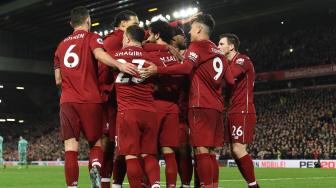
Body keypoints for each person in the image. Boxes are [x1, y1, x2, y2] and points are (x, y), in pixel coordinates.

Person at [140, 14, 235, 188]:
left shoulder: (196, 46)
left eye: (191, 28)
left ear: (199, 29)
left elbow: (185, 68)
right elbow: (230, 81)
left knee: (201, 150)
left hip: (199, 105)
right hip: (216, 107)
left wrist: (157, 70)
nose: (189, 32)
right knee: (211, 152)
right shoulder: (219, 53)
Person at [53, 6, 137, 188]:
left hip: (67, 101)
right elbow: (100, 55)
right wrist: (118, 65)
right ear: (88, 20)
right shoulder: (92, 38)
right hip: (90, 99)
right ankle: (96, 166)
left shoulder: (60, 46)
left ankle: (72, 186)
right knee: (96, 143)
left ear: (71, 23)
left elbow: (58, 80)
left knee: (70, 147)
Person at [112, 25, 161, 188]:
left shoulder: (116, 57)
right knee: (149, 154)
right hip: (150, 111)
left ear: (126, 38)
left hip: (128, 112)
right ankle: (155, 185)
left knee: (131, 156)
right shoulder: (151, 57)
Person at [98, 10, 139, 188]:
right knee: (121, 144)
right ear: (123, 24)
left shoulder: (111, 39)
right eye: (134, 23)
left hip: (112, 98)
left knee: (113, 144)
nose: (139, 27)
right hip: (113, 99)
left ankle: (110, 182)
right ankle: (113, 183)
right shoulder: (116, 39)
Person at [144, 20, 183, 187]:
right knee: (169, 153)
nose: (148, 36)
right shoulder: (177, 54)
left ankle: (154, 184)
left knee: (148, 152)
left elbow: (142, 47)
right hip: (173, 108)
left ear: (157, 35)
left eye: (150, 33)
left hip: (154, 106)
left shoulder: (148, 52)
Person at [218, 33, 260, 188]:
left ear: (231, 46)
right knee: (234, 151)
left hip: (243, 109)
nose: (218, 47)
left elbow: (229, 76)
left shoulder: (242, 60)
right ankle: (252, 184)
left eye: (221, 44)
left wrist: (216, 63)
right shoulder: (229, 63)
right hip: (233, 110)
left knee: (238, 149)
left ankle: (254, 186)